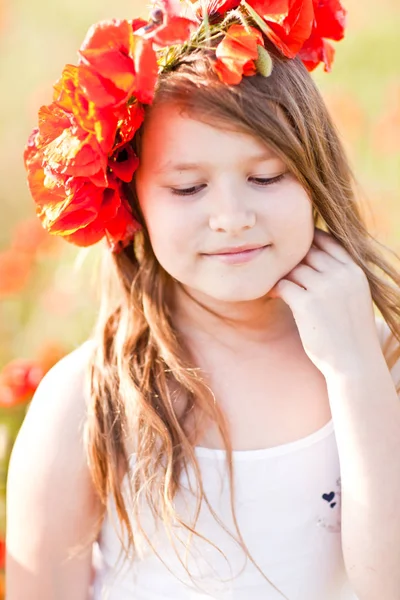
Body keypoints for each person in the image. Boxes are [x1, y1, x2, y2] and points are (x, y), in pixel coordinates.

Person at [5, 0, 400, 599]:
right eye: (188, 187)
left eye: (266, 177)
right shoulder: (90, 400)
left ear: (317, 175)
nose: (231, 218)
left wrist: (355, 372)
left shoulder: (380, 361)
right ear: (134, 200)